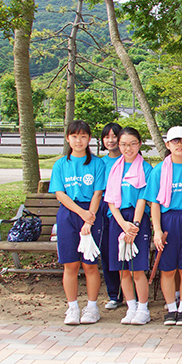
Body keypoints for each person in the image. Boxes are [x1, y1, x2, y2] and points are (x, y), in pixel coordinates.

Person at [50, 120, 107, 325]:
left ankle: (92, 307)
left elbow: (98, 193)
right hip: (69, 214)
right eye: (74, 136)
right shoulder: (60, 164)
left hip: (91, 215)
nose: (79, 140)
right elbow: (59, 194)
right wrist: (81, 213)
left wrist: (89, 219)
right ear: (68, 139)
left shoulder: (97, 163)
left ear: (89, 139)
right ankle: (72, 307)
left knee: (90, 264)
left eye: (83, 136)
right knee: (70, 265)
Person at [144, 126, 182, 326]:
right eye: (175, 141)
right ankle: (171, 308)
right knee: (167, 269)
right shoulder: (159, 170)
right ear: (168, 144)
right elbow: (155, 204)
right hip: (168, 221)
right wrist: (157, 230)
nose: (179, 145)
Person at [103, 127, 153, 325]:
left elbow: (143, 198)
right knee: (122, 268)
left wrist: (135, 225)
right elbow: (110, 200)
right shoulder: (114, 167)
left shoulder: (145, 168)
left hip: (137, 219)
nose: (127, 148)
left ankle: (143, 308)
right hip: (118, 220)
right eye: (123, 144)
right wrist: (122, 224)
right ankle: (131, 307)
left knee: (136, 268)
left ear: (139, 144)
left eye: (132, 144)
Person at [100, 122, 124, 310]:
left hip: (126, 211)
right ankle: (114, 294)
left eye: (114, 136)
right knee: (109, 253)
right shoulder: (99, 163)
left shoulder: (132, 161)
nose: (110, 140)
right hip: (105, 212)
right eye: (106, 137)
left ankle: (130, 293)